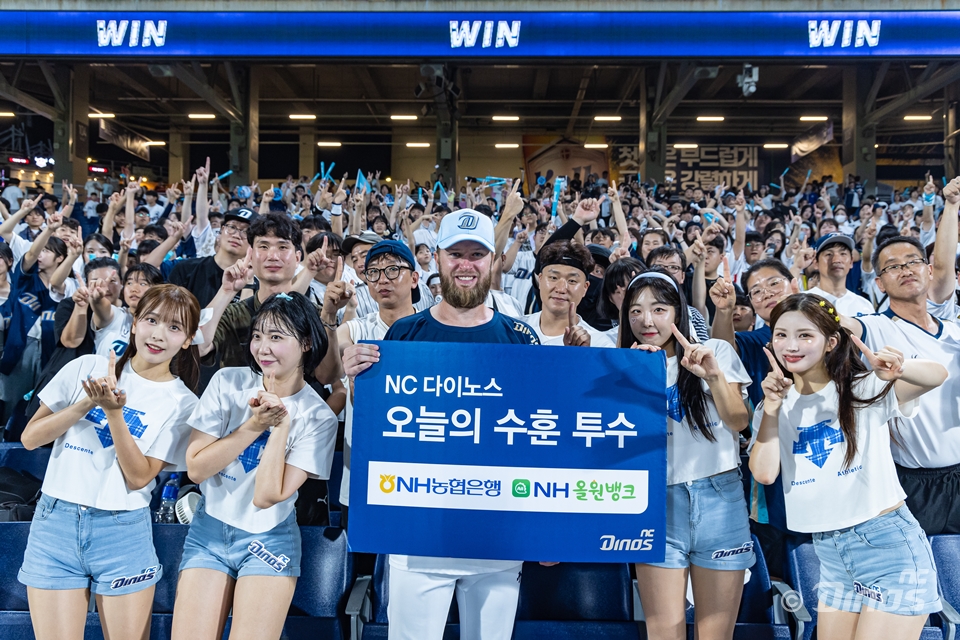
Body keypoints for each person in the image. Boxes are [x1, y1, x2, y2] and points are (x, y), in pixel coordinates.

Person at [342, 208, 539, 640]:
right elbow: (386, 431)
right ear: (437, 259)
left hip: (498, 540)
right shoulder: (404, 335)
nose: (466, 265)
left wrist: (546, 528)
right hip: (419, 538)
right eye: (455, 254)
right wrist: (359, 382)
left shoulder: (522, 338)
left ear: (492, 261)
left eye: (477, 254)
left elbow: (538, 441)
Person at [751, 294, 946, 639]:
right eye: (781, 335)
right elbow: (764, 473)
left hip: (887, 546)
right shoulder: (773, 404)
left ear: (831, 342)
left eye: (805, 335)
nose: (791, 345)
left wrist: (900, 370)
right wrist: (770, 408)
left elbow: (936, 375)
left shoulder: (862, 387)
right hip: (830, 553)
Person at [17, 285, 200, 640]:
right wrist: (86, 403)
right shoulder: (87, 366)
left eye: (174, 327)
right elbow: (30, 438)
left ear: (188, 340)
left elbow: (138, 477)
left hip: (122, 530)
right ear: (134, 323)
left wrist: (114, 414)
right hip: (55, 522)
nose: (159, 334)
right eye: (151, 320)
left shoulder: (184, 403)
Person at [172, 292, 337, 640]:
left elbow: (266, 496)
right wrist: (254, 426)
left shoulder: (318, 416)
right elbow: (197, 470)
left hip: (270, 539)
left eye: (276, 337)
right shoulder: (227, 382)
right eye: (258, 335)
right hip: (208, 532)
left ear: (306, 343)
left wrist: (282, 426)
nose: (263, 347)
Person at [618, 269, 753, 640]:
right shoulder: (621, 366)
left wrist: (711, 376)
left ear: (678, 311)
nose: (647, 320)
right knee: (664, 632)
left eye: (659, 309)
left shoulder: (717, 351)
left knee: (716, 634)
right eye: (636, 311)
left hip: (720, 498)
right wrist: (630, 375)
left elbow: (739, 421)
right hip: (654, 501)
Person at [318, 239, 421, 528]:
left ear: (414, 278)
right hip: (364, 474)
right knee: (359, 567)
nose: (382, 279)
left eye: (392, 270)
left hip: (420, 472)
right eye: (373, 272)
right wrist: (328, 314)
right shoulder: (357, 328)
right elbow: (329, 368)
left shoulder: (432, 329)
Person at [522, 240, 613, 347]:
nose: (561, 289)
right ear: (540, 280)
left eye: (572, 281)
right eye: (553, 278)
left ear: (585, 288)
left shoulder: (599, 344)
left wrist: (584, 355)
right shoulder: (513, 331)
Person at [168, 205, 256, 308]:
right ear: (222, 230)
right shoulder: (186, 268)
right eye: (232, 227)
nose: (236, 235)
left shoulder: (254, 286)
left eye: (246, 232)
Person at [804, 234, 874, 317]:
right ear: (816, 262)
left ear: (851, 262)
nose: (837, 260)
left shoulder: (864, 306)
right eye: (829, 254)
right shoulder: (804, 301)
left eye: (843, 254)